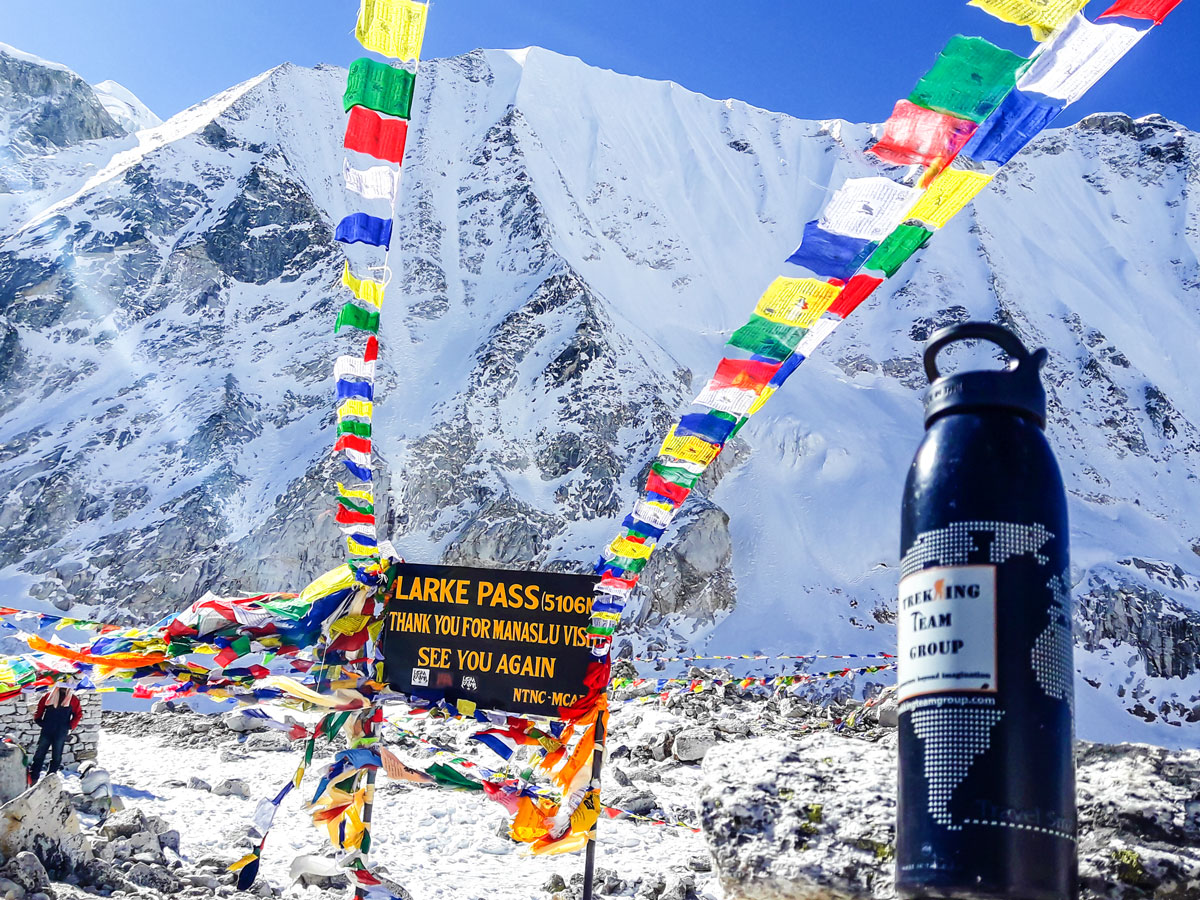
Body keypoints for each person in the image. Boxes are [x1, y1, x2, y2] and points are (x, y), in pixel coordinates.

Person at [30, 684, 82, 781]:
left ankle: (51, 777)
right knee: (40, 753)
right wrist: (38, 719)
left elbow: (78, 714)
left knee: (57, 755)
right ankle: (33, 776)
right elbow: (40, 707)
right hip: (47, 729)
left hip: (61, 731)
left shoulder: (73, 699)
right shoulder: (48, 696)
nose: (63, 688)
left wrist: (70, 726)